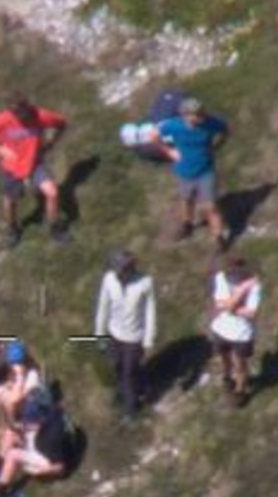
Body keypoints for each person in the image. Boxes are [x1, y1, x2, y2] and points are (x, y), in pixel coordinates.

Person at [0, 94, 70, 245]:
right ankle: (12, 228)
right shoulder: (2, 119)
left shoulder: (40, 115)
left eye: (23, 112)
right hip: (11, 166)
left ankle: (55, 228)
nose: (21, 117)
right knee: (11, 201)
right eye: (16, 114)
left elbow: (62, 123)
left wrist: (51, 142)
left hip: (35, 163)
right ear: (10, 112)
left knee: (52, 193)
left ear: (28, 106)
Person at [150, 97, 230, 250]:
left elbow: (225, 130)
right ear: (185, 116)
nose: (201, 117)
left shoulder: (211, 123)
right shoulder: (174, 125)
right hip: (184, 172)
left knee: (210, 206)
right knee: (187, 200)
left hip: (206, 171)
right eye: (197, 115)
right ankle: (188, 224)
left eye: (201, 113)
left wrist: (216, 146)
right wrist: (169, 151)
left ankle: (219, 237)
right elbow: (153, 135)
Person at [0, 388, 68, 497]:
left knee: (12, 455)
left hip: (45, 459)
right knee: (10, 433)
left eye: (31, 421)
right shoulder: (52, 408)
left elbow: (60, 467)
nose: (27, 423)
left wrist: (41, 471)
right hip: (39, 438)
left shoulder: (52, 438)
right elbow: (31, 425)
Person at [94, 250, 157, 417]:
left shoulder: (145, 283)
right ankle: (129, 389)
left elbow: (150, 313)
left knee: (128, 372)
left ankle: (131, 406)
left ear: (129, 269)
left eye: (120, 270)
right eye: (115, 269)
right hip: (114, 333)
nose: (117, 274)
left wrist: (148, 340)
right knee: (118, 366)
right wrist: (99, 335)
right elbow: (103, 307)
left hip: (134, 337)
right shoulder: (108, 280)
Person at [0, 339, 42, 487]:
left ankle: (1, 476)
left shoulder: (31, 377)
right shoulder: (17, 374)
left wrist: (19, 377)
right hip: (24, 417)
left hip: (36, 424)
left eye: (13, 364)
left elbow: (15, 401)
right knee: (7, 428)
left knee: (10, 433)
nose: (11, 368)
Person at [210, 257, 262, 407]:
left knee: (240, 364)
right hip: (221, 329)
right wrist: (242, 290)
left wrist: (230, 307)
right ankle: (227, 377)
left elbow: (251, 313)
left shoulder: (255, 285)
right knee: (224, 358)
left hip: (241, 333)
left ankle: (240, 391)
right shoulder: (222, 278)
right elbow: (220, 304)